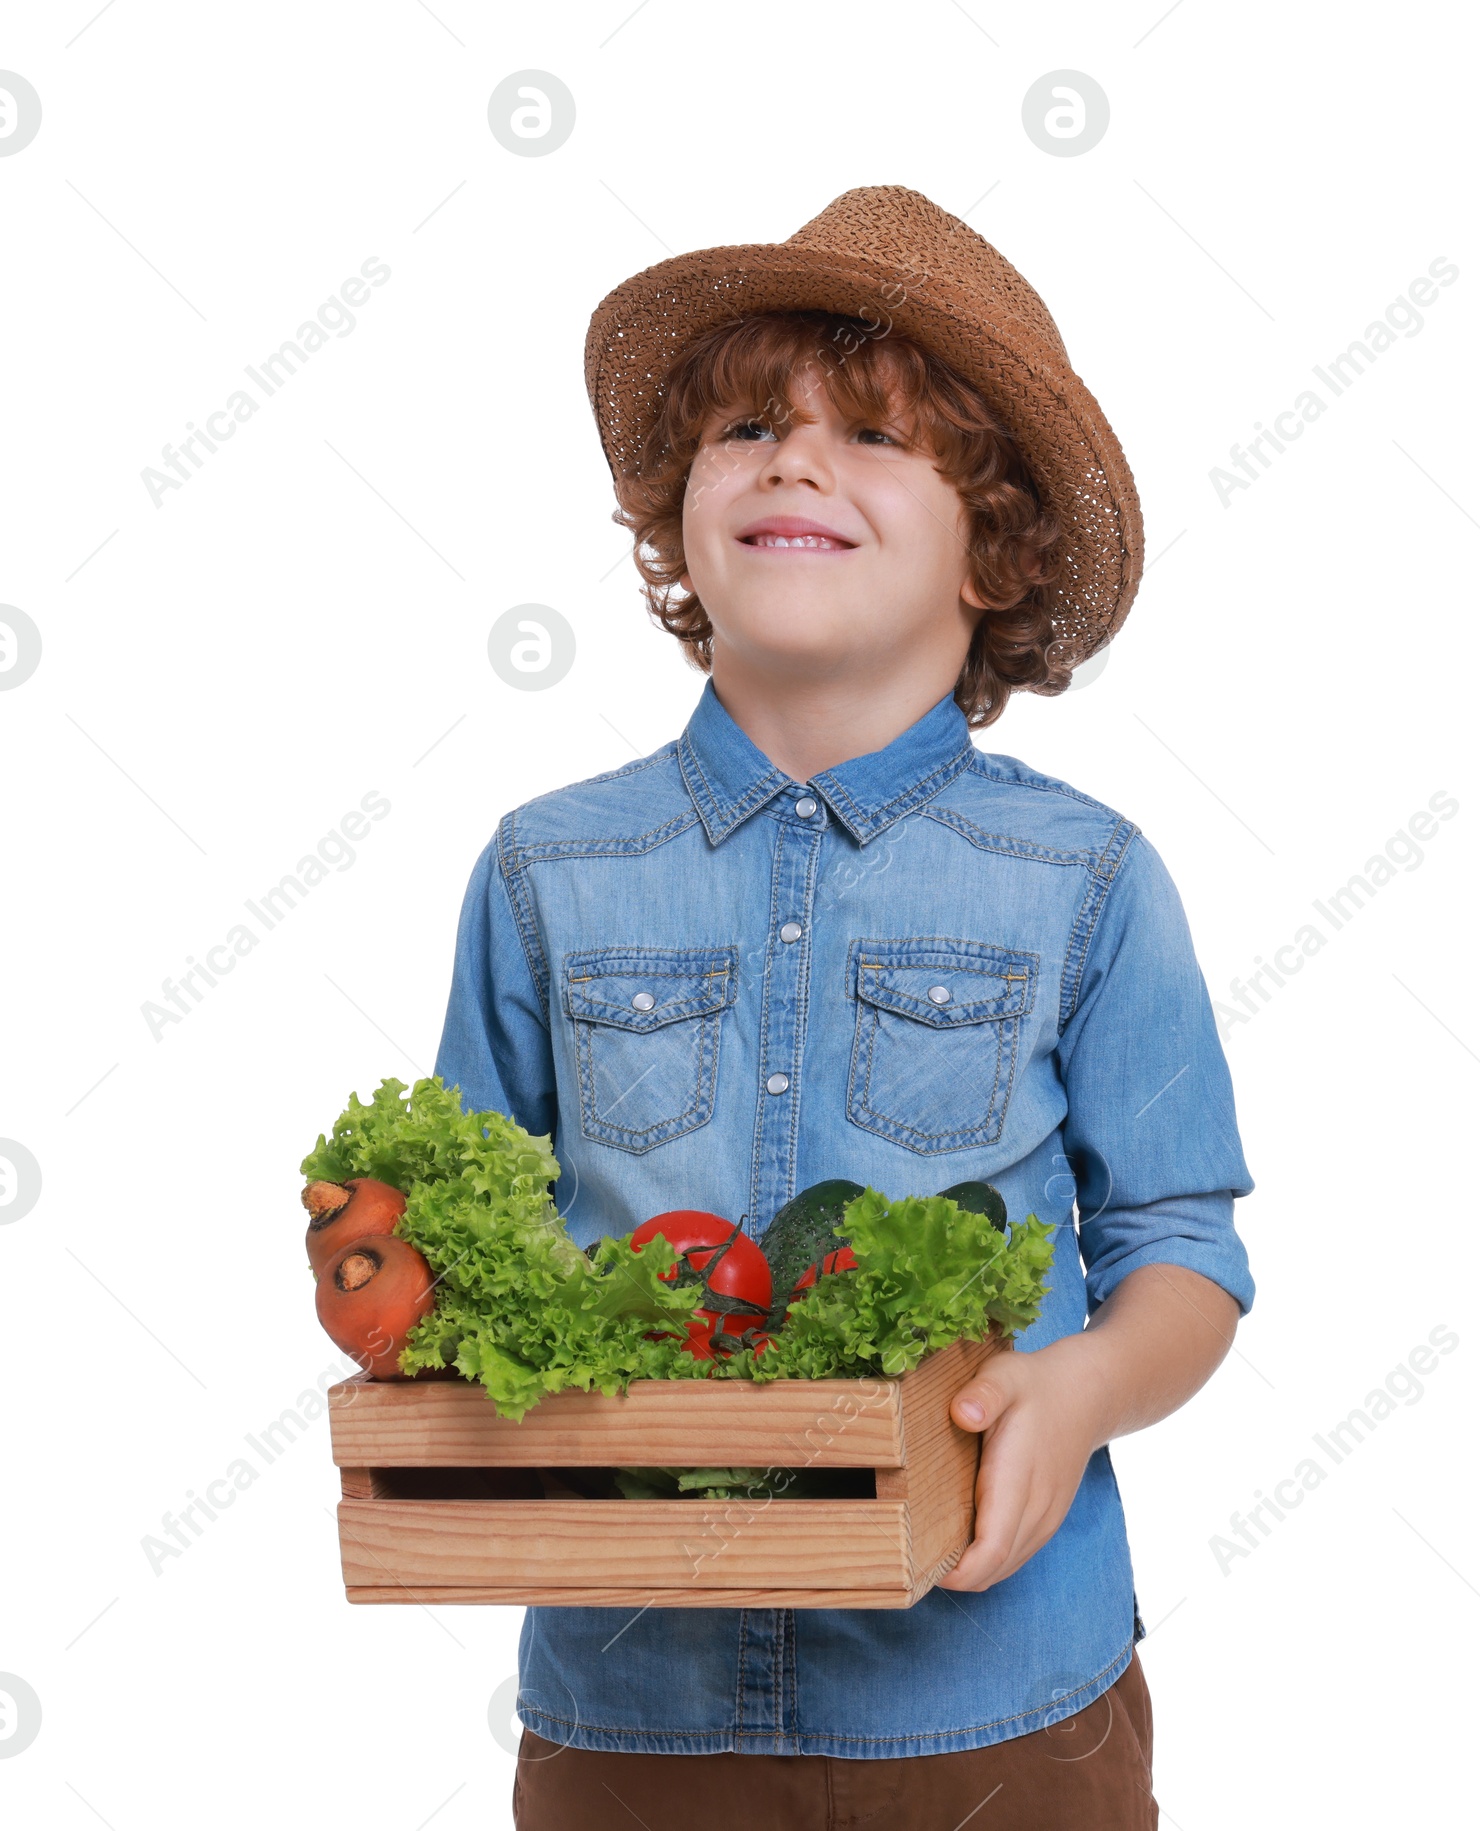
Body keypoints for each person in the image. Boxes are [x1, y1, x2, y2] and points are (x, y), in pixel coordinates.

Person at [434, 184, 1255, 1830]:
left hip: (1003, 1698)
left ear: (993, 551)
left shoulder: (1081, 878)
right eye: (747, 425)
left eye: (873, 436)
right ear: (682, 512)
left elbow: (1185, 1251)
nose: (794, 461)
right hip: (629, 1713)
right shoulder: (546, 870)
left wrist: (1078, 1388)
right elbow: (467, 1243)